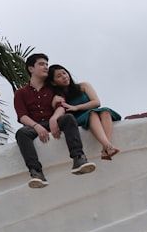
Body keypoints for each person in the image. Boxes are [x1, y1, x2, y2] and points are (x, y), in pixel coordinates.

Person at [13, 53, 95, 188]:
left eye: (46, 64)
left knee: (68, 118)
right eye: (41, 64)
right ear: (31, 68)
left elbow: (61, 106)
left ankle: (79, 159)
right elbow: (22, 116)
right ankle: (36, 173)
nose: (46, 67)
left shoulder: (53, 88)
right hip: (35, 125)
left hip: (55, 121)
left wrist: (54, 118)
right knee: (21, 133)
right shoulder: (21, 93)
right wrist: (36, 126)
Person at [47, 64, 122, 160]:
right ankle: (108, 146)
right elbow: (59, 112)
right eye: (59, 76)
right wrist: (54, 104)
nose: (64, 77)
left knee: (106, 111)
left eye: (64, 73)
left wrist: (76, 107)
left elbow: (96, 102)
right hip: (78, 119)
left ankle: (105, 148)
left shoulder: (83, 86)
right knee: (92, 114)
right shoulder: (58, 96)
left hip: (93, 112)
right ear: (53, 82)